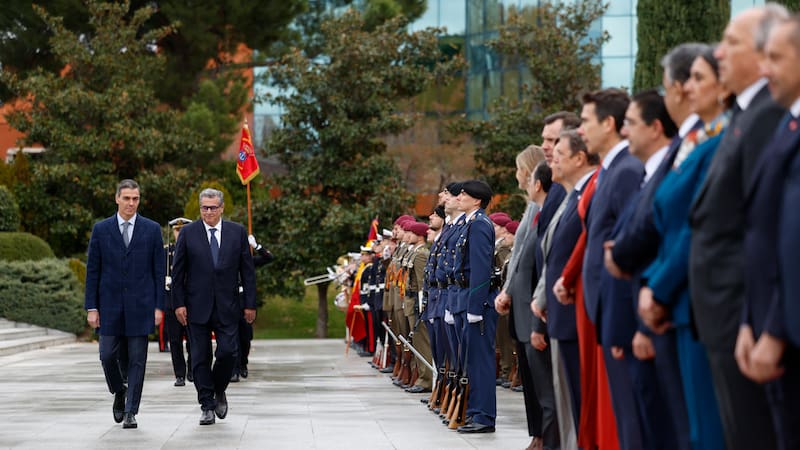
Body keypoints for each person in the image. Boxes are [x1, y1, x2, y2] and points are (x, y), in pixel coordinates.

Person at [689, 6, 787, 449]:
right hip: (727, 311)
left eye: (732, 43)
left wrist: (761, 320)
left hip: (740, 305)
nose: (720, 52)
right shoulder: (747, 114)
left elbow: (765, 225)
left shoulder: (768, 115)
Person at [740, 13, 800, 448]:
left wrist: (774, 328)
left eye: (775, 58)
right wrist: (751, 321)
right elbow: (763, 234)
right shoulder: (784, 125)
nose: (765, 69)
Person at [171, 188, 257, 426]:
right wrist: (177, 303)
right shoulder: (188, 233)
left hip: (228, 306)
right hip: (195, 307)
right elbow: (177, 273)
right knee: (199, 358)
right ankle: (207, 404)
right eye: (204, 208)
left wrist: (250, 304)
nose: (208, 212)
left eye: (213, 207)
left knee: (228, 352)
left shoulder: (236, 232)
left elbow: (247, 272)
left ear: (221, 208)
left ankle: (219, 389)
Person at [84, 179, 166, 429]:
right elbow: (93, 271)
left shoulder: (152, 230)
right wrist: (92, 307)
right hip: (109, 307)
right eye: (127, 198)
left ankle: (131, 411)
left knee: (138, 360)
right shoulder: (101, 229)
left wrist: (159, 306)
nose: (131, 203)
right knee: (107, 355)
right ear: (117, 199)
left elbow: (158, 272)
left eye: (136, 198)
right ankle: (119, 390)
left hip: (141, 306)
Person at [452, 179, 498, 434]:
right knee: (472, 360)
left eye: (463, 195)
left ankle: (484, 416)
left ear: (477, 200)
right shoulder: (472, 223)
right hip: (469, 297)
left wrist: (476, 306)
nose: (459, 197)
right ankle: (475, 412)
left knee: (481, 361)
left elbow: (480, 269)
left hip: (478, 301)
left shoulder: (479, 225)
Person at [231, 234, 274, 382]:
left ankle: (243, 363)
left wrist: (256, 246)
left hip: (245, 302)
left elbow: (269, 258)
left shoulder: (247, 260)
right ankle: (234, 370)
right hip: (230, 301)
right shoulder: (225, 260)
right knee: (232, 337)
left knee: (245, 337)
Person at [165, 217, 193, 387]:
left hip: (190, 301)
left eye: (183, 231)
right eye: (177, 231)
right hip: (171, 301)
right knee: (174, 341)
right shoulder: (166, 252)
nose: (179, 234)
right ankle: (179, 374)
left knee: (193, 340)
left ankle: (192, 370)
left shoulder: (194, 250)